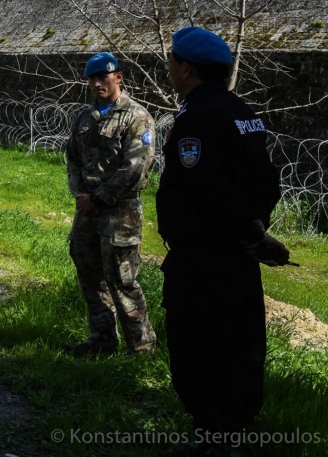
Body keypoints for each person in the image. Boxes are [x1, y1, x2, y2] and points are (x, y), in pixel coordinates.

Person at [157, 27, 288, 445]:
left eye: (173, 63)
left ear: (188, 70)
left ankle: (211, 433)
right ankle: (233, 425)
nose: (170, 70)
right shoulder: (243, 112)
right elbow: (268, 180)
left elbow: (209, 189)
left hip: (203, 259)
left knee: (199, 346)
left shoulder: (196, 117)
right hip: (238, 256)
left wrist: (250, 232)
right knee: (239, 343)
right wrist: (256, 232)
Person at [65, 52, 157, 357]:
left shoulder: (137, 117)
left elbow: (135, 167)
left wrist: (99, 199)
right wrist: (80, 195)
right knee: (90, 276)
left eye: (103, 77)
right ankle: (102, 339)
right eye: (91, 78)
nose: (96, 83)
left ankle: (142, 349)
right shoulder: (84, 118)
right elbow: (73, 158)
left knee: (122, 280)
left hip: (120, 213)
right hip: (87, 211)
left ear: (118, 77)